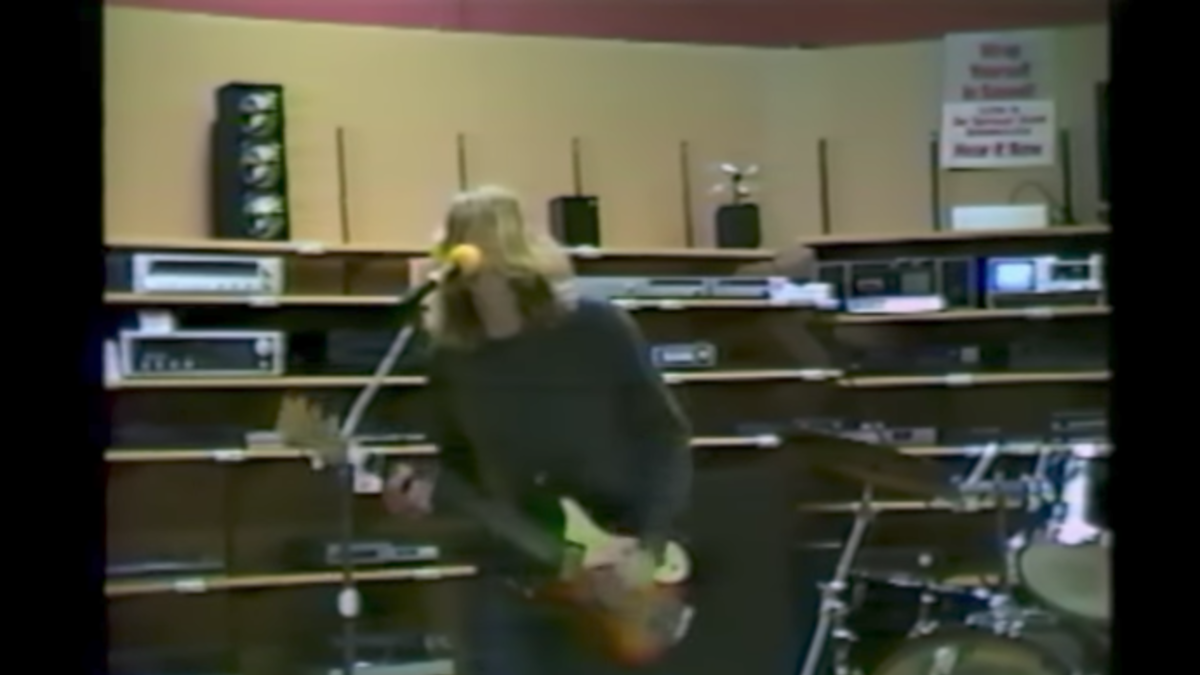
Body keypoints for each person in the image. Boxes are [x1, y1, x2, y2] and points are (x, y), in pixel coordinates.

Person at [383, 185, 694, 675]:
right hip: (511, 578)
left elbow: (664, 436)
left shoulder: (596, 328)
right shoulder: (452, 355)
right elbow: (458, 466)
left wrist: (646, 542)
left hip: (611, 570)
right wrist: (419, 495)